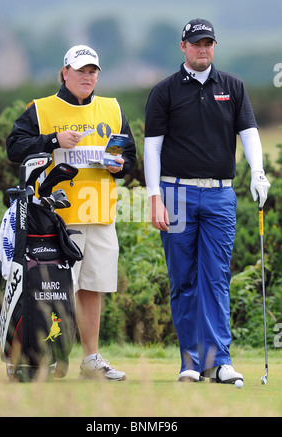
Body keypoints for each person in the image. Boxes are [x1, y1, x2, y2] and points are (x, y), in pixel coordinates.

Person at [144, 18, 270, 383]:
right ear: (183, 47)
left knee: (215, 277)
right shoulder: (164, 91)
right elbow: (152, 147)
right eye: (196, 43)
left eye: (208, 43)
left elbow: (248, 133)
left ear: (214, 47)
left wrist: (258, 172)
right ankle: (190, 362)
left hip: (219, 195)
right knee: (183, 279)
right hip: (175, 193)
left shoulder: (232, 86)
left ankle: (219, 361)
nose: (203, 49)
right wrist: (154, 196)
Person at [6, 44, 136, 381]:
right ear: (65, 73)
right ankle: (44, 356)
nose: (87, 76)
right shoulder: (41, 109)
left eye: (93, 71)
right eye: (81, 71)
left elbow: (130, 158)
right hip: (55, 218)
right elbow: (14, 147)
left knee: (93, 288)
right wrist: (52, 141)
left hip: (101, 214)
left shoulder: (112, 108)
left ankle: (91, 359)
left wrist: (120, 166)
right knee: (53, 290)